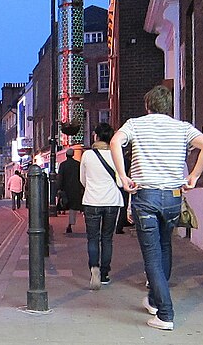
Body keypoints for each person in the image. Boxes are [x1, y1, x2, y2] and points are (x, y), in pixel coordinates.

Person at [110, 85, 203, 331]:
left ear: (148, 106)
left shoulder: (135, 125)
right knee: (165, 246)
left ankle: (165, 314)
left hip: (145, 195)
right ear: (169, 107)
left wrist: (123, 176)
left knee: (152, 256)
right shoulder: (182, 128)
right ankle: (155, 302)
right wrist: (194, 177)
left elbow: (115, 142)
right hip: (173, 197)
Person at [80, 123, 124, 290]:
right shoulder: (116, 154)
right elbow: (120, 181)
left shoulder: (87, 155)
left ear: (96, 136)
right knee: (107, 238)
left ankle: (94, 268)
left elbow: (82, 180)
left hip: (92, 201)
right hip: (112, 202)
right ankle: (105, 274)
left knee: (93, 238)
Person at [59, 148, 84, 233]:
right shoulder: (78, 164)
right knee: (73, 207)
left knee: (67, 205)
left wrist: (59, 188)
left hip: (66, 189)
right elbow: (81, 177)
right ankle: (70, 223)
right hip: (76, 188)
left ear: (66, 155)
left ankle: (69, 223)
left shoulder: (63, 165)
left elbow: (60, 177)